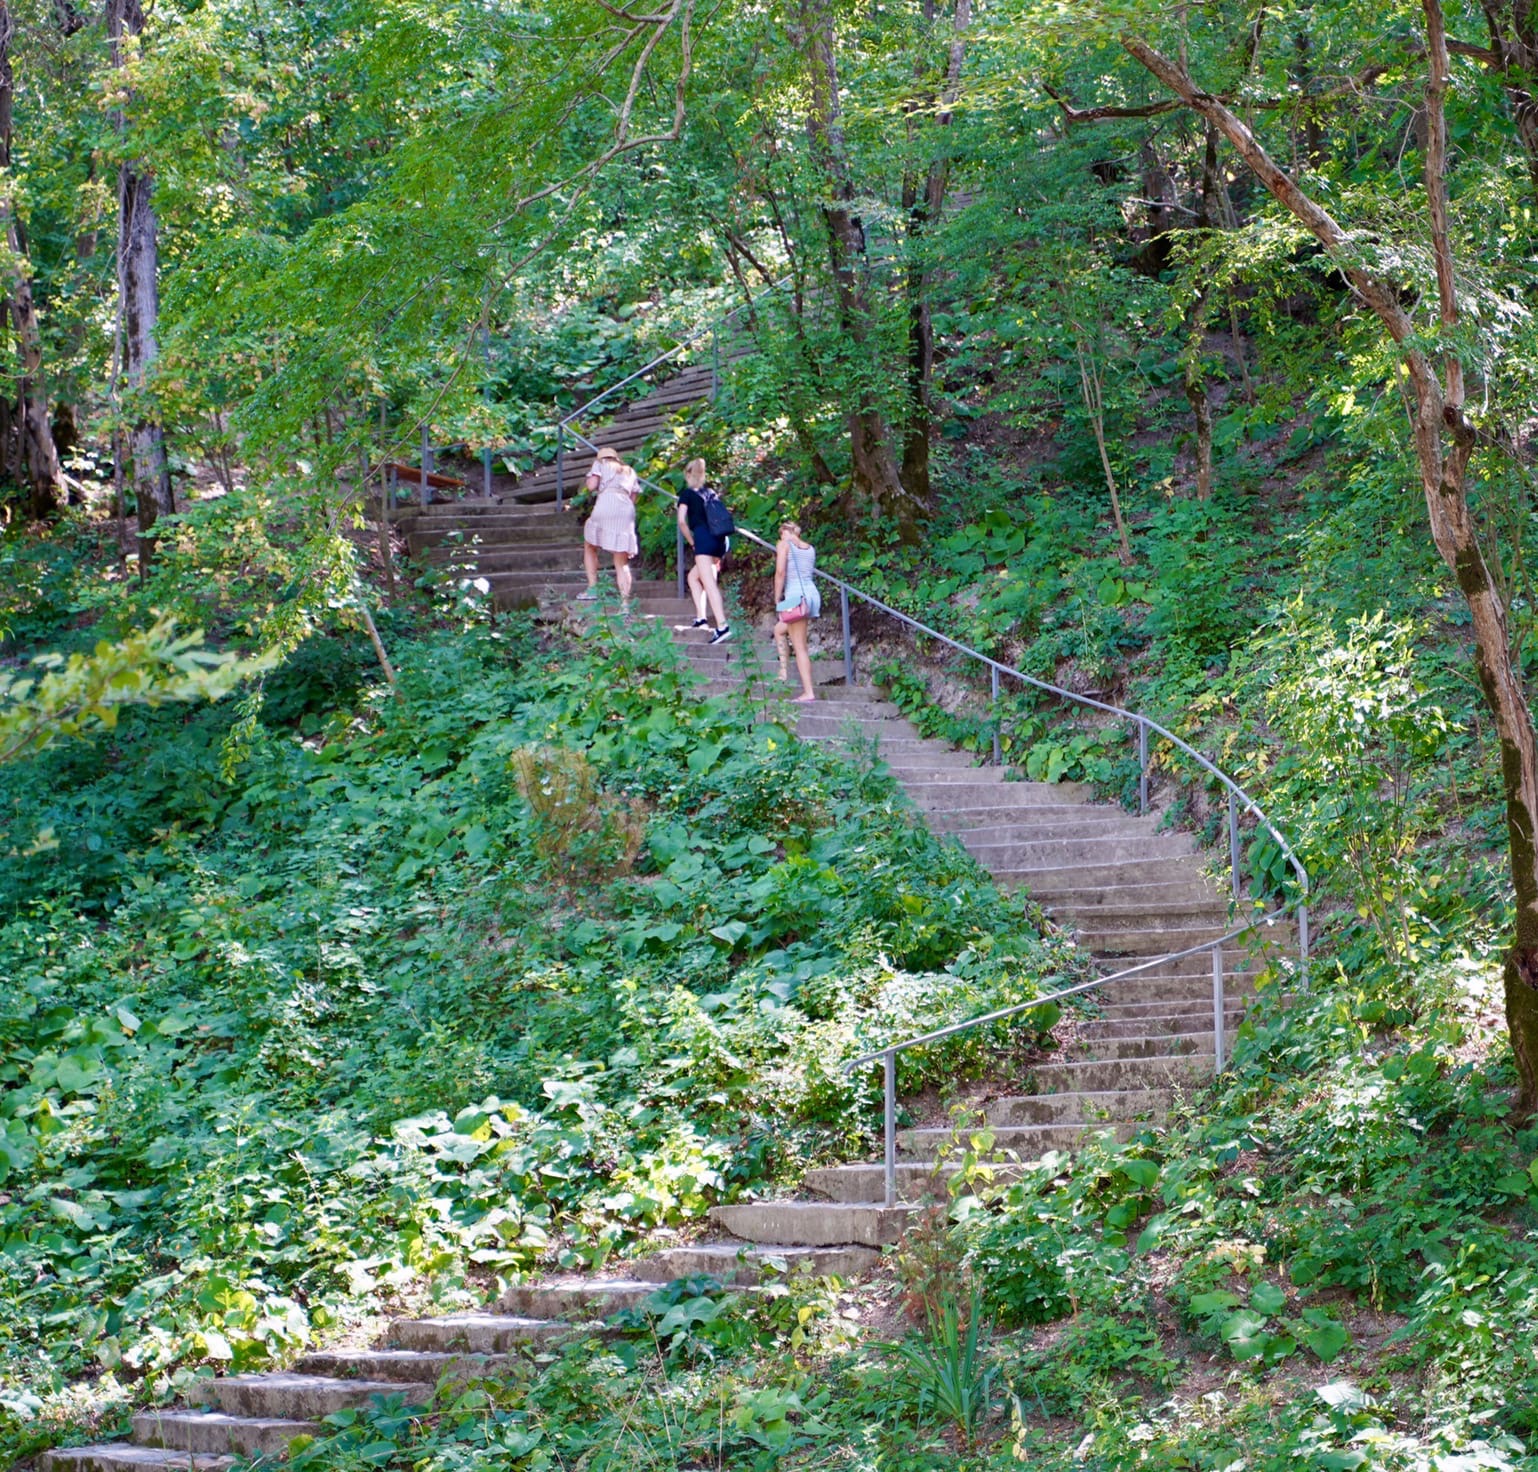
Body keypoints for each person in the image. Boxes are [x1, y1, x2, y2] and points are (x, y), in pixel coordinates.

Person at [571, 446, 638, 605]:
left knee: (590, 544)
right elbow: (634, 497)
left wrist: (590, 477)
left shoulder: (600, 464)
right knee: (621, 560)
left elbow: (591, 486)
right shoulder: (629, 470)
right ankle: (625, 604)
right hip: (626, 509)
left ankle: (593, 588)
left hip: (606, 504)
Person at [676, 458, 732, 644]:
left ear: (688, 474)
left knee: (709, 584)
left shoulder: (686, 495)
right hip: (719, 539)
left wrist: (691, 541)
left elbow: (682, 521)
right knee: (693, 577)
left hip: (703, 539)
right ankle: (701, 617)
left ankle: (722, 626)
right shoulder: (710, 492)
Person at [773, 519, 820, 703]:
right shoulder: (810, 548)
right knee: (779, 629)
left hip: (795, 597)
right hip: (811, 596)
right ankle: (783, 671)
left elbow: (780, 573)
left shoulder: (784, 545)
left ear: (787, 532)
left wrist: (777, 599)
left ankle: (808, 692)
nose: (781, 537)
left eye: (781, 533)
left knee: (800, 647)